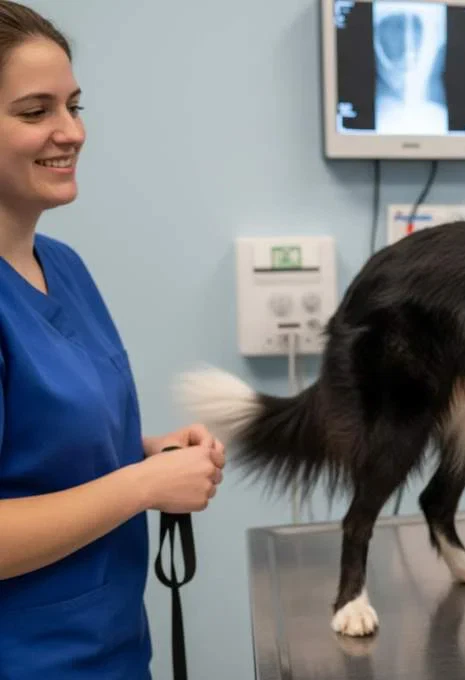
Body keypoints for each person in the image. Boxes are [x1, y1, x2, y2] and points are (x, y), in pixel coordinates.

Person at [0, 3, 226, 677]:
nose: (71, 132)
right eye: (35, 111)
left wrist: (149, 452)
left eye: (74, 105)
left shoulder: (63, 267)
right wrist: (145, 483)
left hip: (115, 650)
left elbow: (42, 450)